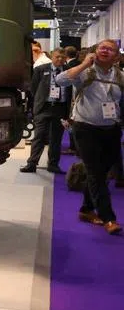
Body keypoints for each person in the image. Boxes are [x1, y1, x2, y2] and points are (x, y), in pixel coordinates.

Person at [55, 39, 124, 235]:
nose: (105, 50)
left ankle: (86, 209)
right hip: (86, 129)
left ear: (117, 56)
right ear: (95, 51)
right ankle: (108, 217)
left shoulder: (120, 76)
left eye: (110, 49)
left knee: (103, 172)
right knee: (95, 172)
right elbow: (60, 81)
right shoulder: (85, 72)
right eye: (102, 47)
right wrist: (84, 63)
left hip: (111, 129)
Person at [21, 49, 69, 174]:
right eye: (57, 57)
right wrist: (34, 107)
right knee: (39, 136)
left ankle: (53, 164)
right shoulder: (40, 69)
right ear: (52, 56)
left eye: (62, 57)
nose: (59, 59)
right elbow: (33, 89)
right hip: (43, 107)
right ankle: (32, 163)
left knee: (56, 138)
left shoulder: (68, 71)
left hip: (60, 108)